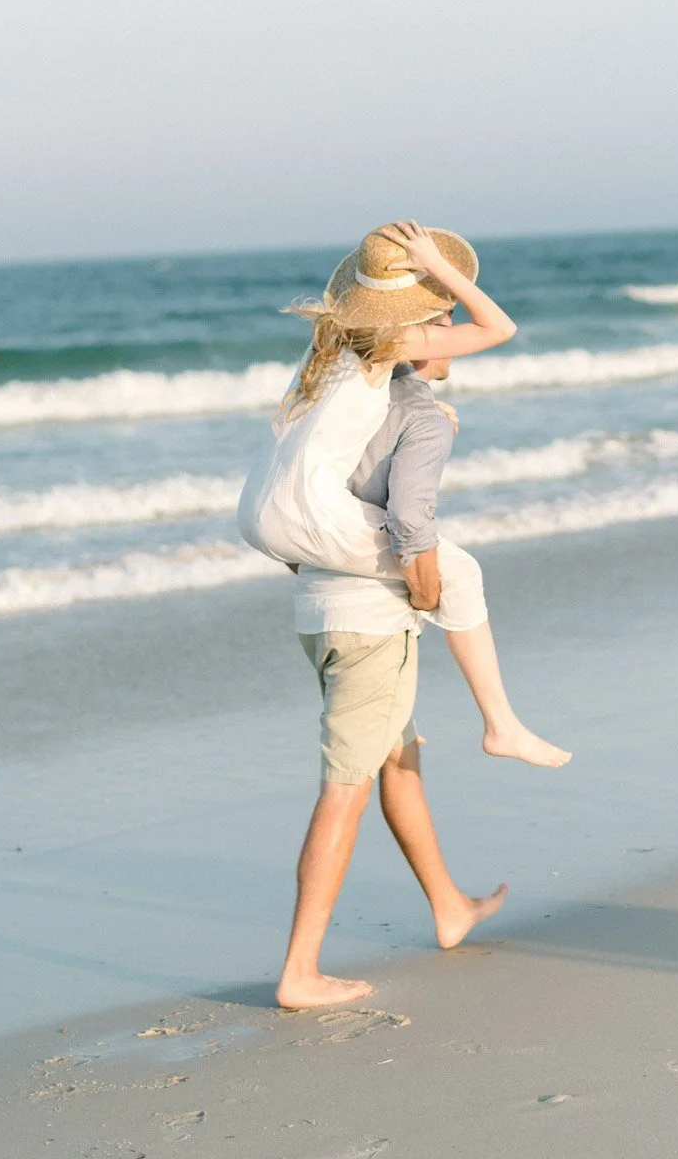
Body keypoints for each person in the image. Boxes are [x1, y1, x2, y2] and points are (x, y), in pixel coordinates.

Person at [238, 221, 567, 1008]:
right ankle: (299, 971)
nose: (447, 333)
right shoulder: (408, 398)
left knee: (398, 761)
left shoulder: (330, 367)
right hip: (369, 626)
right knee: (345, 789)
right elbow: (497, 329)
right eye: (436, 320)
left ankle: (449, 906)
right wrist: (435, 268)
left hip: (317, 605)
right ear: (412, 325)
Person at [238, 219, 570, 766]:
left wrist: (428, 410)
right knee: (456, 573)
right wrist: (438, 266)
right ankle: (501, 726)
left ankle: (393, 719)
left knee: (382, 572)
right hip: (308, 511)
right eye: (439, 309)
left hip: (258, 510)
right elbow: (499, 327)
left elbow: (343, 418)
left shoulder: (331, 343)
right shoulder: (392, 339)